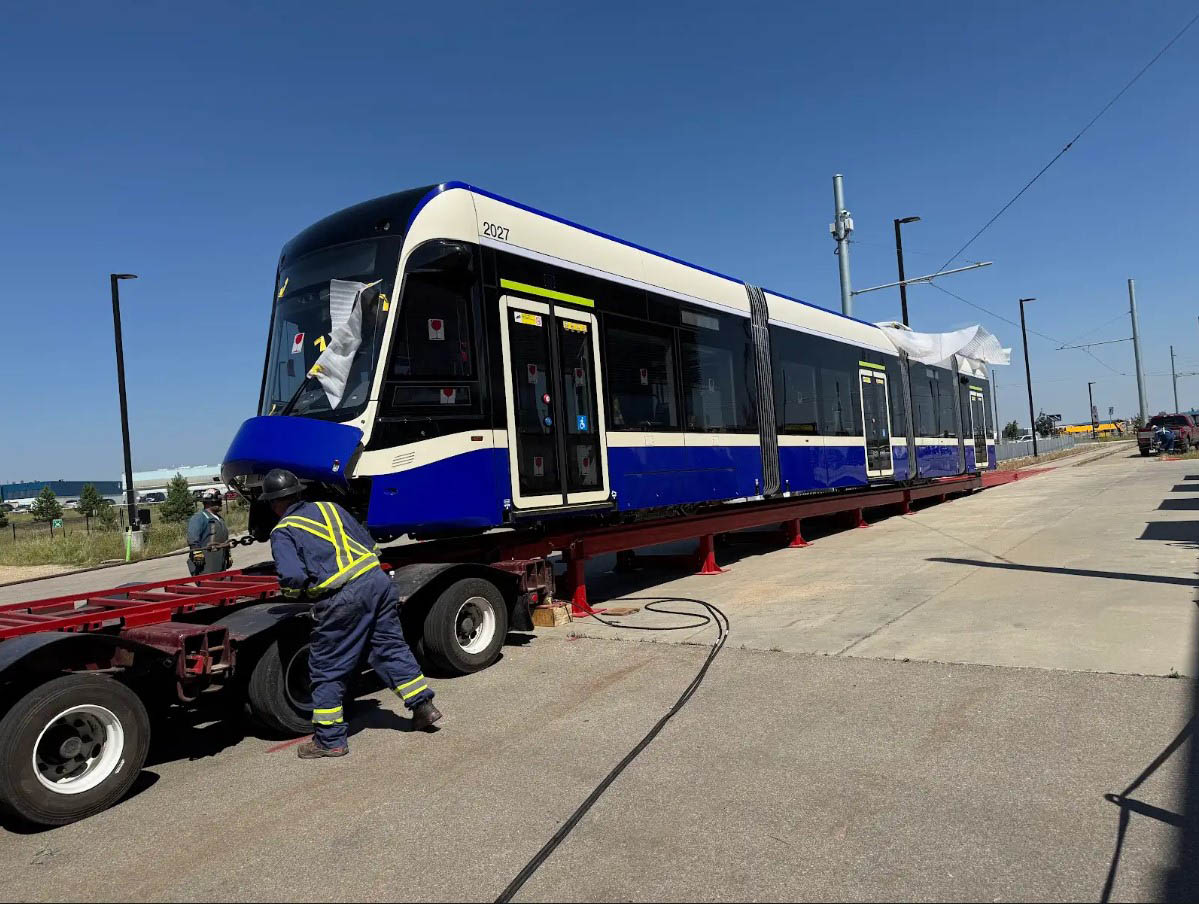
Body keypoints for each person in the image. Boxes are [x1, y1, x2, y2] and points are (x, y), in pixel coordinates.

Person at [261, 468, 442, 758]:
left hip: (344, 597)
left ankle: (330, 740)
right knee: (389, 648)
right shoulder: (331, 508)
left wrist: (299, 595)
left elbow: (293, 578)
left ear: (275, 503)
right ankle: (423, 707)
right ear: (298, 492)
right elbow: (368, 544)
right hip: (377, 583)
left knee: (326, 668)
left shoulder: (283, 531)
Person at [186, 492, 231, 575]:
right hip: (205, 563)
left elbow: (224, 540)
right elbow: (192, 538)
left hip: (219, 561)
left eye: (220, 501)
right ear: (208, 503)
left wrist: (228, 555)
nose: (220, 503)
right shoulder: (199, 518)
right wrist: (197, 553)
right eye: (217, 501)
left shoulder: (219, 519)